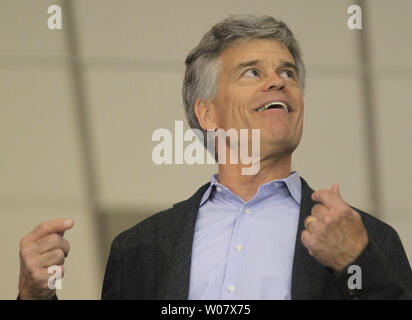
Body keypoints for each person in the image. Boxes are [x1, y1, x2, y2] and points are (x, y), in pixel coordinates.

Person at [18, 14, 412, 300]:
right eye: (252, 73)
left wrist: (357, 262)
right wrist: (34, 297)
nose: (278, 81)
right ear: (208, 114)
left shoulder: (368, 240)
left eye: (288, 73)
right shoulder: (138, 249)